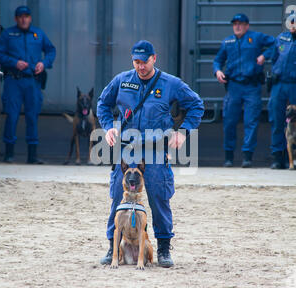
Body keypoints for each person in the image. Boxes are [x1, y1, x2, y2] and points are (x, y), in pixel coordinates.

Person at [97, 40, 204, 268]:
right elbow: (103, 104)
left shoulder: (170, 83)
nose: (140, 66)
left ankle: (164, 248)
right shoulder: (122, 80)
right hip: (126, 149)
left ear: (154, 58)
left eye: (144, 62)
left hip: (155, 150)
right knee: (118, 196)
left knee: (158, 197)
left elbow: (196, 104)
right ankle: (112, 247)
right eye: (136, 61)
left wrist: (183, 132)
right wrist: (108, 127)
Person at [0, 5, 56, 164]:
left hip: (32, 82)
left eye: (26, 16)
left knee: (32, 117)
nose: (23, 19)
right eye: (20, 16)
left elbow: (51, 50)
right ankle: (9, 155)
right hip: (13, 81)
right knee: (12, 116)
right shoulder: (8, 34)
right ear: (16, 19)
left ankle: (32, 156)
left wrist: (44, 63)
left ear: (30, 18)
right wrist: (14, 63)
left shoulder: (38, 34)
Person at [213, 13, 275, 168]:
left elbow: (276, 44)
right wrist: (217, 71)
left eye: (240, 24)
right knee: (229, 122)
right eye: (235, 24)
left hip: (251, 87)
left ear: (247, 25)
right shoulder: (227, 42)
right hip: (233, 87)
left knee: (251, 122)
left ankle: (247, 157)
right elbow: (218, 60)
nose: (237, 26)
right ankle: (228, 157)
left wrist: (264, 55)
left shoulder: (256, 37)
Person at [267, 15, 296, 169]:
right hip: (279, 84)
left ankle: (294, 159)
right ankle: (278, 157)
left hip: (294, 84)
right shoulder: (281, 38)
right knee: (277, 119)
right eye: (291, 22)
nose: (293, 25)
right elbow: (274, 58)